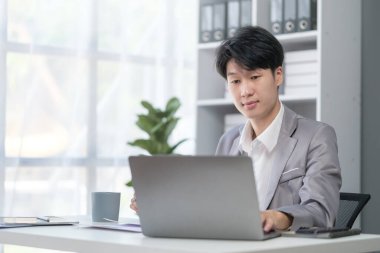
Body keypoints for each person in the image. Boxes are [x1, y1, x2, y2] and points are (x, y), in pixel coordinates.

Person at [131, 26, 341, 232]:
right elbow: (213, 211)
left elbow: (321, 213)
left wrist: (276, 217)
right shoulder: (229, 140)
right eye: (235, 81)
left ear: (278, 76)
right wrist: (163, 208)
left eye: (255, 77)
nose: (245, 91)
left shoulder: (316, 137)